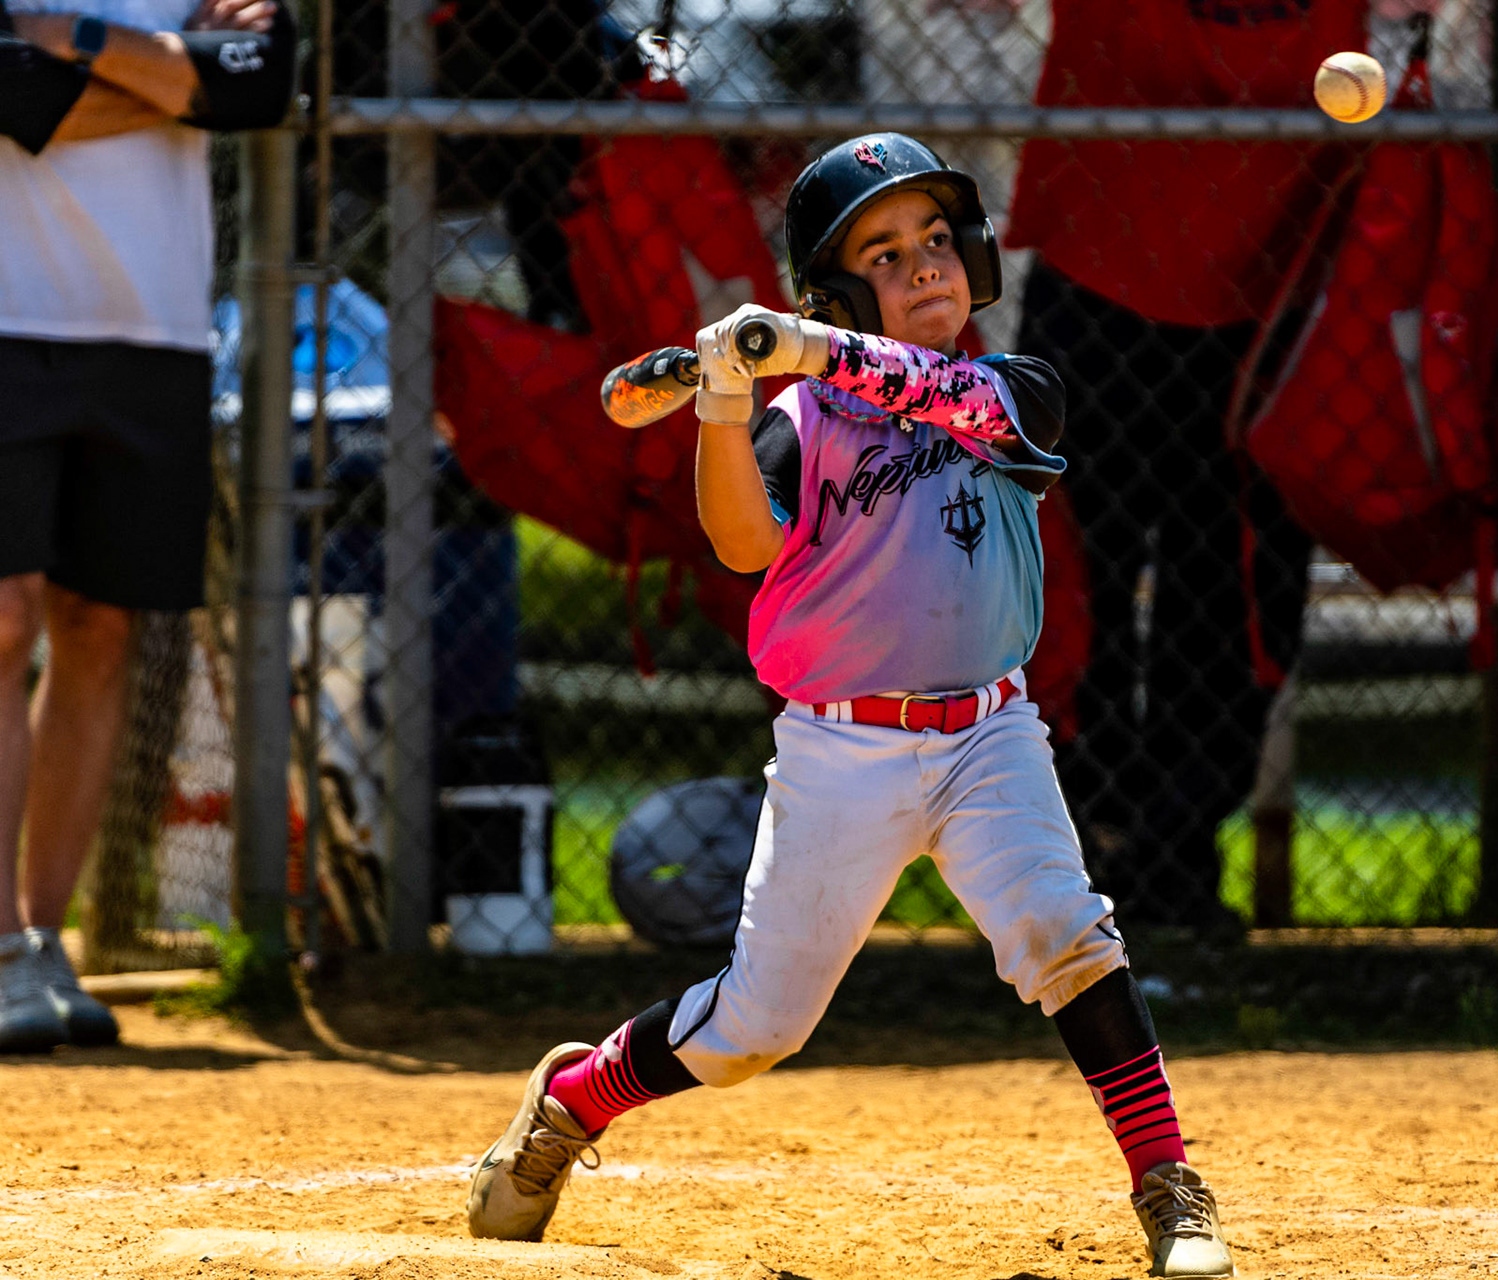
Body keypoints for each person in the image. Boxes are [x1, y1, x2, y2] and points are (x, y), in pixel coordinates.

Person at [466, 134, 1236, 1278]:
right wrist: (726, 405)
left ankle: (1170, 1188)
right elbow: (738, 540)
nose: (924, 265)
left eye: (936, 240)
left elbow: (937, 396)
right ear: (831, 288)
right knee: (755, 1027)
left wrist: (817, 345)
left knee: (1065, 931)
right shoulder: (801, 425)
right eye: (884, 252)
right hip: (841, 748)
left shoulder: (1015, 390)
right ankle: (576, 1097)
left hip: (989, 732)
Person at [1008, 0, 1362, 930]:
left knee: (1234, 594)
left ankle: (1177, 855)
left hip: (1266, 295)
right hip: (1097, 282)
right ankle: (1082, 852)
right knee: (1075, 584)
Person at [0, 0, 298, 1053]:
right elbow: (7, 93)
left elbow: (260, 86)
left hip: (156, 329)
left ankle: (42, 942)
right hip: (6, 317)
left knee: (102, 629)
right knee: (3, 622)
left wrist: (71, 46)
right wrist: (180, 79)